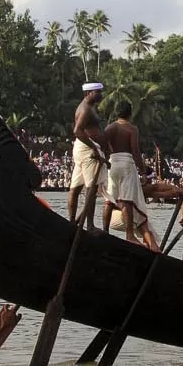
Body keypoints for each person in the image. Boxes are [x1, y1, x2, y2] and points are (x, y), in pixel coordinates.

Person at [103, 102, 157, 251]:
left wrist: (105, 159)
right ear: (130, 114)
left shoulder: (110, 127)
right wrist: (143, 171)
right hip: (126, 163)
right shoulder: (132, 129)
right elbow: (135, 150)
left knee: (109, 199)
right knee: (127, 201)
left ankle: (105, 231)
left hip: (112, 163)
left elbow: (102, 143)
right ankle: (129, 235)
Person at [67, 82, 109, 227]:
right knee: (91, 189)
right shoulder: (85, 109)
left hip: (84, 149)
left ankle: (73, 223)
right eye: (98, 92)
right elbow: (77, 131)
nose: (101, 95)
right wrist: (96, 149)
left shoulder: (88, 107)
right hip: (87, 151)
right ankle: (89, 225)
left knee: (76, 188)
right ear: (88, 93)